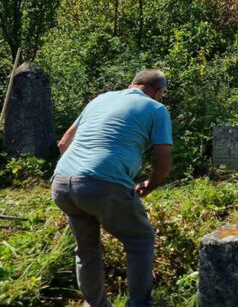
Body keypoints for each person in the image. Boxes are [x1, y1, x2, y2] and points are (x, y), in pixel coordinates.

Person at [51, 70, 173, 307]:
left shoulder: (101, 99)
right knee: (140, 239)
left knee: (86, 249)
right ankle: (139, 304)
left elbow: (64, 143)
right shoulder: (156, 109)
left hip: (62, 182)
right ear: (158, 92)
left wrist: (77, 177)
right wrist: (151, 184)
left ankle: (94, 305)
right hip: (103, 183)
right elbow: (164, 159)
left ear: (132, 84)